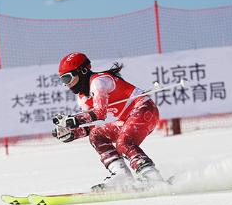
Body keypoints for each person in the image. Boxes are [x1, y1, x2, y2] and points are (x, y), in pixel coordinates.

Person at [52, 52, 165, 191]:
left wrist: (74, 120)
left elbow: (100, 113)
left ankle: (151, 176)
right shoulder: (82, 97)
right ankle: (121, 175)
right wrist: (72, 133)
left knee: (124, 142)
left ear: (82, 71)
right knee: (96, 136)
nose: (67, 84)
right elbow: (91, 126)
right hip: (127, 120)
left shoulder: (99, 82)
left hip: (144, 110)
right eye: (63, 80)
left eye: (68, 78)